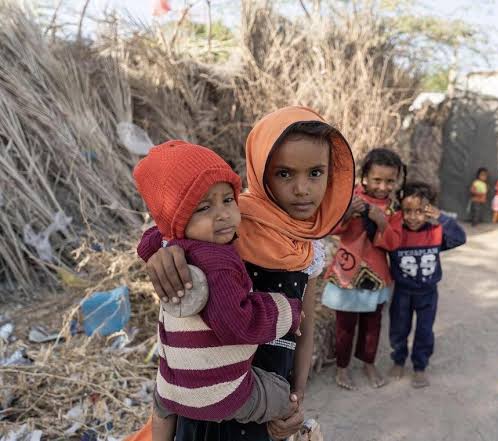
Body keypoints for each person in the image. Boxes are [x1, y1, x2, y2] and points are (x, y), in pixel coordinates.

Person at [128, 106, 355, 441]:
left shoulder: (310, 244)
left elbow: (304, 328)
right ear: (260, 171)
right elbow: (173, 229)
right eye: (284, 174)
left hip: (267, 396)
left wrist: (296, 397)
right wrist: (161, 254)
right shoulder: (229, 224)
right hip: (214, 394)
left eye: (316, 173)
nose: (302, 189)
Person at [132, 142, 305, 441]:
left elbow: (147, 242)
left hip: (173, 384)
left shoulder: (170, 243)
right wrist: (288, 311)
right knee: (279, 394)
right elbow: (238, 324)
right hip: (221, 392)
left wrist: (167, 234)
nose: (223, 214)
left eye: (227, 199)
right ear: (177, 219)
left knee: (161, 407)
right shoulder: (219, 262)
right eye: (203, 208)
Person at [321, 148, 405, 390]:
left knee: (372, 324)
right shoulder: (350, 199)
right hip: (347, 273)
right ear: (364, 177)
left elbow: (394, 243)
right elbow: (330, 228)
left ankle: (368, 363)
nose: (383, 187)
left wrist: (382, 223)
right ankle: (342, 367)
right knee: (344, 326)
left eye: (390, 181)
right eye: (377, 180)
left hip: (376, 276)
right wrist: (347, 213)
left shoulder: (394, 208)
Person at [386, 181, 466, 388]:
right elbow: (376, 234)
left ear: (429, 211)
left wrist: (442, 218)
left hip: (428, 293)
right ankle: (398, 360)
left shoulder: (436, 232)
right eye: (408, 211)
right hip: (403, 292)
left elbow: (459, 238)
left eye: (420, 211)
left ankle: (420, 366)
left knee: (424, 330)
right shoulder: (395, 233)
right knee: (398, 328)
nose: (413, 217)